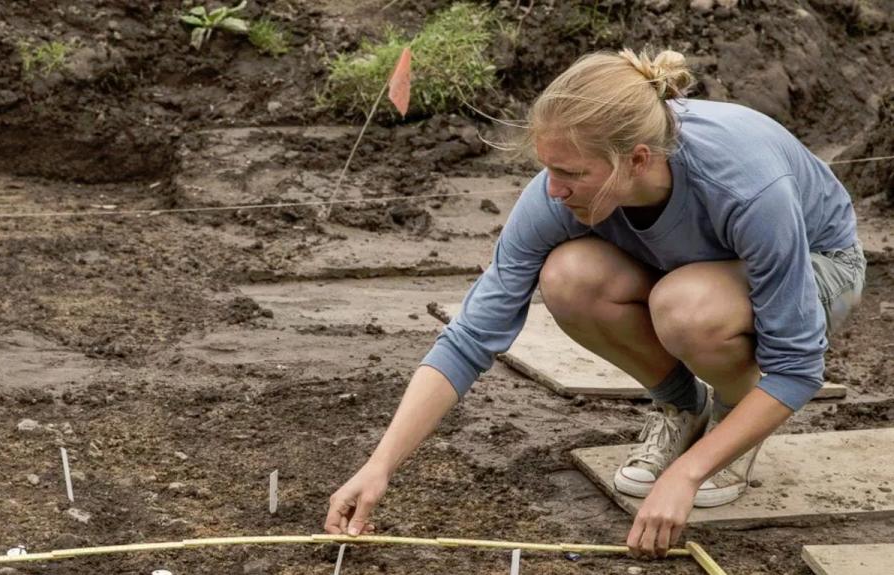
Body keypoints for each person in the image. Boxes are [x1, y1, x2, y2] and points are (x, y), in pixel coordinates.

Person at [324, 48, 866, 558]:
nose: (553, 190)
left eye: (573, 174)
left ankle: (731, 423)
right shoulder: (560, 190)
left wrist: (687, 474)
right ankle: (683, 407)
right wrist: (381, 465)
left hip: (820, 267)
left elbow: (797, 367)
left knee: (687, 308)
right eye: (548, 169)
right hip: (692, 269)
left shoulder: (746, 188)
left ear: (636, 159)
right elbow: (471, 335)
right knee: (568, 277)